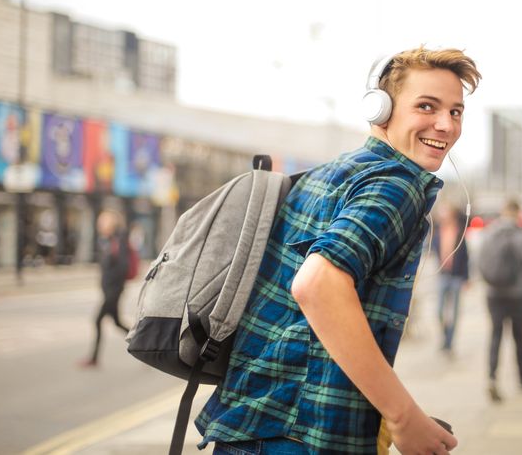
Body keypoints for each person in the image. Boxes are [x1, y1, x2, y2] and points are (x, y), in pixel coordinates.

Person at [195, 47, 481, 454]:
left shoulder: (326, 174)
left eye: (456, 111)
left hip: (252, 427)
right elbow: (317, 285)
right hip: (299, 436)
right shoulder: (395, 184)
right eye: (426, 106)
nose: (445, 125)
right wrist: (402, 416)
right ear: (381, 109)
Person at [480, 199, 522, 403]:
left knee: (495, 335)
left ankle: (492, 378)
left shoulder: (489, 232)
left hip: (493, 294)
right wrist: (521, 280)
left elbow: (480, 262)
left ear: (503, 212)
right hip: (517, 295)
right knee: (519, 337)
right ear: (517, 212)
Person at [79, 209, 130, 368]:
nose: (100, 224)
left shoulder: (118, 240)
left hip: (113, 291)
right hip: (109, 290)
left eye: (103, 221)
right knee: (117, 323)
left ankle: (94, 359)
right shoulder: (107, 240)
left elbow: (123, 266)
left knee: (98, 320)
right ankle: (145, 345)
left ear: (112, 223)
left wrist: (112, 287)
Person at [431, 202, 470, 356]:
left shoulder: (460, 233)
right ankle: (444, 337)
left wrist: (467, 278)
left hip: (456, 277)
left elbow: (466, 257)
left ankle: (449, 343)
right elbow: (433, 249)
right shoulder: (438, 232)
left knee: (454, 312)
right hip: (443, 276)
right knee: (439, 311)